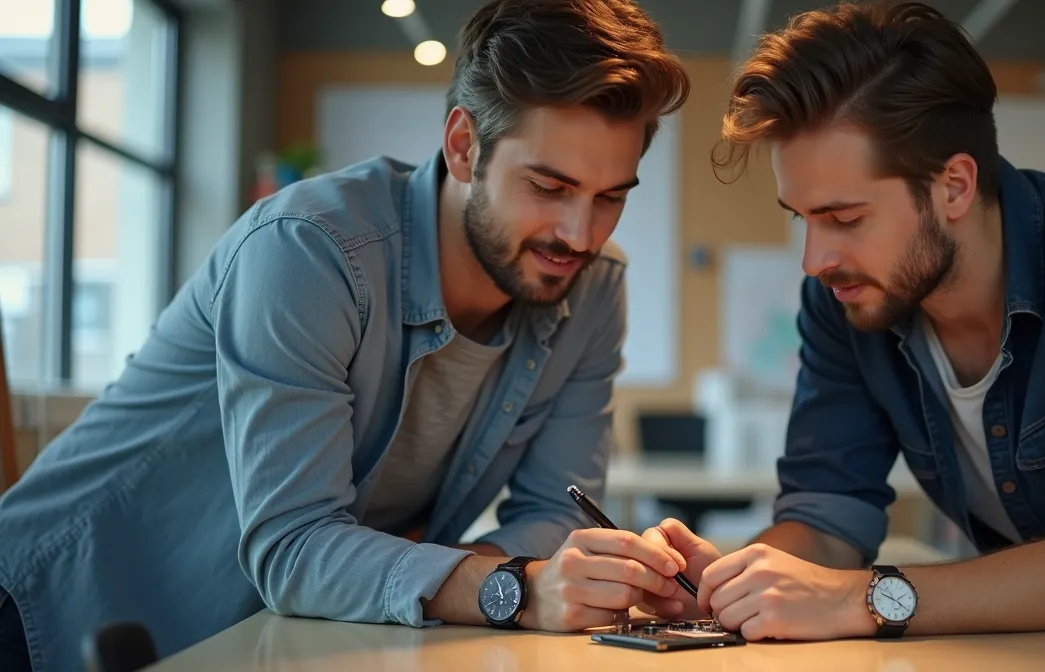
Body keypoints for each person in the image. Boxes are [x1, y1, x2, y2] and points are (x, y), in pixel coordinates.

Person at [0, 1, 692, 669]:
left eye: (611, 197)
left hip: (269, 635)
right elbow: (295, 546)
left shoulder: (593, 289)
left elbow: (555, 516)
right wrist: (506, 586)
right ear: (463, 146)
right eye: (548, 187)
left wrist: (463, 574)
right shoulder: (308, 250)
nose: (580, 235)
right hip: (51, 612)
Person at [638, 3, 1045, 671]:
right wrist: (731, 582)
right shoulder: (844, 300)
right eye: (802, 218)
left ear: (954, 186)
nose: (814, 260)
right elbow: (827, 520)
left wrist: (861, 599)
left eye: (845, 218)